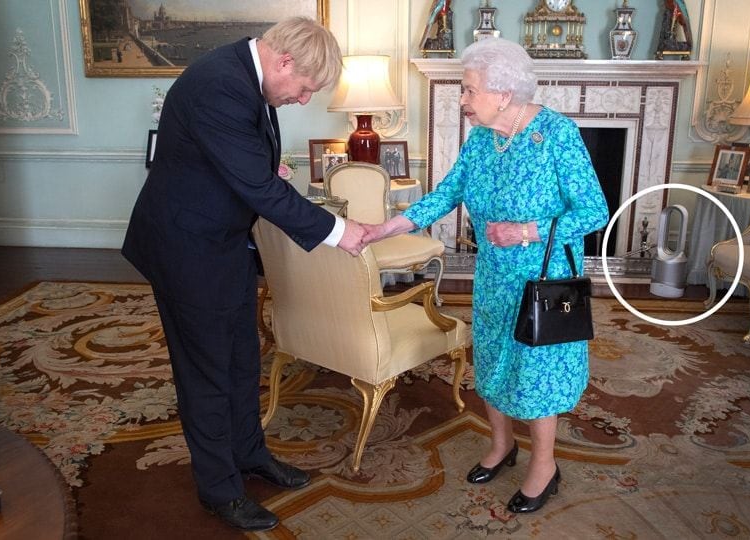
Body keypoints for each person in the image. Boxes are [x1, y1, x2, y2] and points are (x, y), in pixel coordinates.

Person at [121, 17, 368, 532]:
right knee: (206, 371)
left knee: (240, 358)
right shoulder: (219, 85)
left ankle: (251, 456)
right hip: (185, 248)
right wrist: (339, 231)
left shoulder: (246, 75)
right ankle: (219, 489)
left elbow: (247, 166)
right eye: (304, 88)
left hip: (224, 241)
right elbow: (257, 187)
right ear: (283, 62)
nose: (303, 100)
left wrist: (258, 168)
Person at [364, 38, 608, 514]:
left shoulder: (557, 134)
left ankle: (544, 465)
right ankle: (501, 445)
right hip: (494, 277)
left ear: (502, 93)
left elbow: (594, 210)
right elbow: (447, 192)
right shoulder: (482, 139)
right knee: (493, 361)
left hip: (544, 278)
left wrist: (525, 231)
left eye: (469, 89)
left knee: (538, 375)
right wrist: (387, 226)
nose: (462, 99)